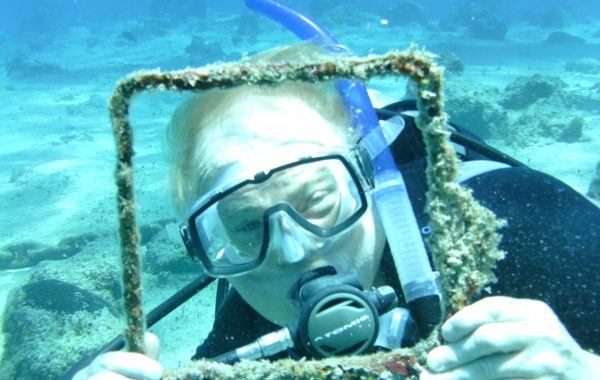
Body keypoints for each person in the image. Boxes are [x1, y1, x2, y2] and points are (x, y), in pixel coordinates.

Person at [74, 42, 600, 380]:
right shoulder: (246, 307)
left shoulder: (528, 226)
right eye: (244, 224)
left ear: (372, 178)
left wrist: (583, 368)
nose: (293, 249)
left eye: (318, 199)